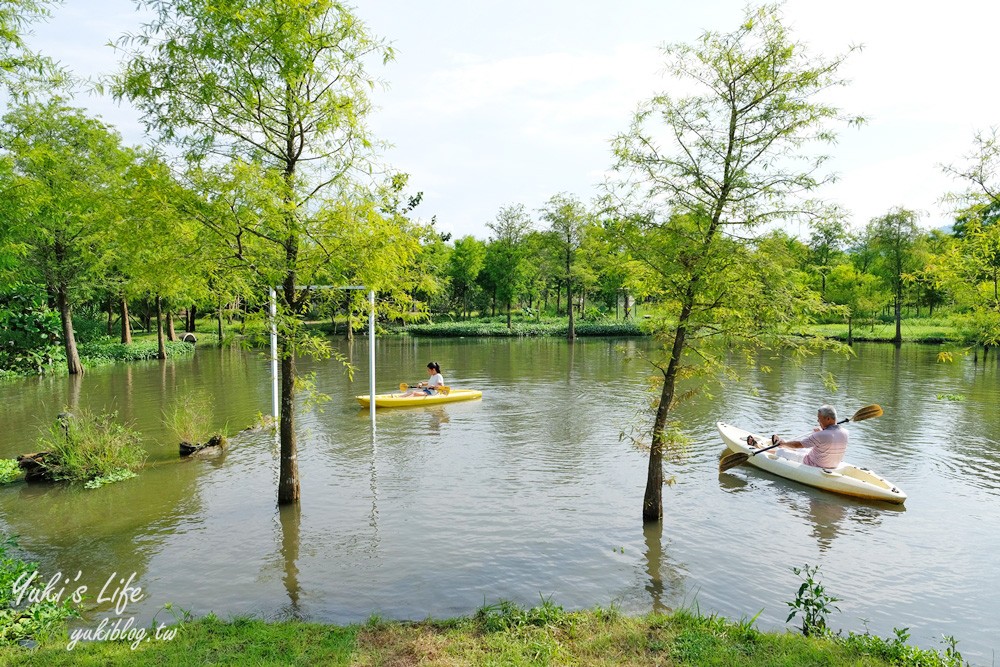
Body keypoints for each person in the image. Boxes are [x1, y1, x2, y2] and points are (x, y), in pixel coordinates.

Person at [768, 404, 848, 469]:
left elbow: (798, 445)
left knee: (780, 452)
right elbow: (830, 439)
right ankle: (781, 445)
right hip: (832, 465)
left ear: (828, 419)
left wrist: (784, 443)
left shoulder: (821, 435)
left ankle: (776, 446)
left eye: (819, 419)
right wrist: (822, 431)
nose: (818, 421)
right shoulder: (845, 432)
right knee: (803, 450)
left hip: (813, 464)